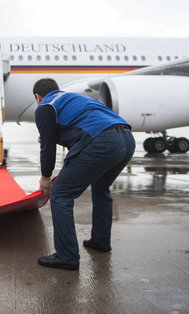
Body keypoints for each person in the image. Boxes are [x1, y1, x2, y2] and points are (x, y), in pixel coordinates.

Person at [33, 78, 135, 271]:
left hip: (102, 140)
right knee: (101, 188)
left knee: (61, 194)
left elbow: (47, 146)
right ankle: (100, 241)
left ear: (37, 97)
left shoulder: (46, 107)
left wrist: (46, 177)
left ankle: (67, 256)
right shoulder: (75, 99)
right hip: (127, 139)